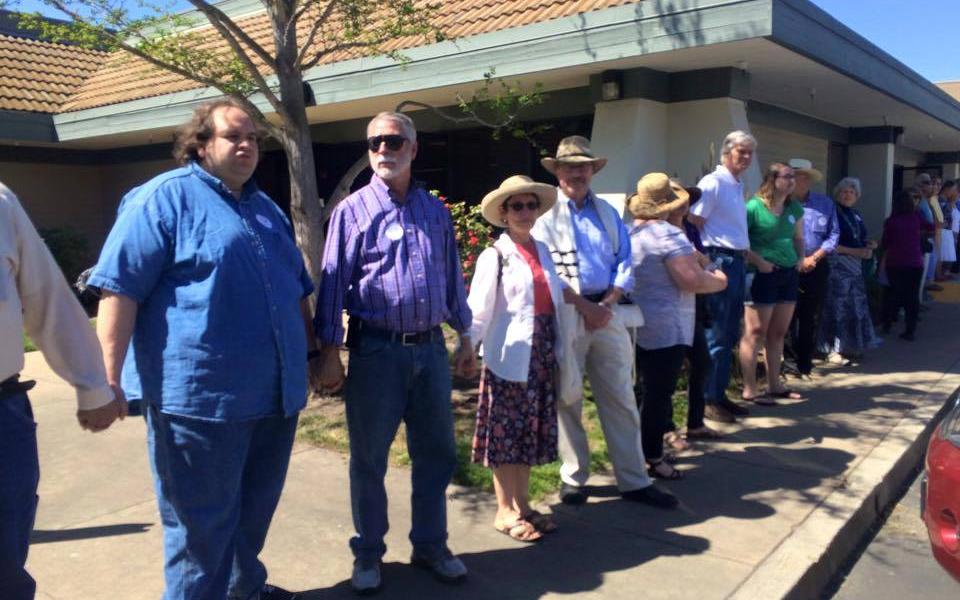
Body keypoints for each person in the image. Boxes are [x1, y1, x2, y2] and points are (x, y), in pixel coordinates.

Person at [88, 99, 312, 600]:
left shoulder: (263, 207)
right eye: (234, 136)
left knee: (252, 517)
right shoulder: (161, 200)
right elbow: (118, 290)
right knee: (198, 533)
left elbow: (296, 288)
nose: (248, 145)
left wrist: (316, 355)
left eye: (253, 136)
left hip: (274, 398)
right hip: (200, 405)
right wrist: (105, 380)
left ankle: (243, 590)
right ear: (201, 145)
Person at [314, 111, 476, 594]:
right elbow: (332, 288)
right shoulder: (352, 212)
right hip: (376, 354)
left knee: (438, 454)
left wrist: (466, 338)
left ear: (413, 147)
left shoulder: (435, 212)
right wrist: (329, 352)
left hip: (430, 353)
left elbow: (451, 280)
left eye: (395, 141)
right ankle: (368, 553)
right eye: (375, 142)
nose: (385, 149)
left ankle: (430, 545)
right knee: (368, 460)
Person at [531, 135, 677, 509]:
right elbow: (545, 271)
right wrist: (585, 306)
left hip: (608, 311)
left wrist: (609, 300)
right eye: (569, 166)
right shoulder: (544, 214)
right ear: (557, 171)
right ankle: (574, 477)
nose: (576, 172)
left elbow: (624, 261)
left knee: (622, 396)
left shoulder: (609, 212)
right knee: (569, 395)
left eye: (583, 166)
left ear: (593, 170)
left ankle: (633, 479)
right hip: (568, 312)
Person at [0, 183, 125, 600]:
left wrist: (92, 386)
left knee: (4, 565)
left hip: (2, 415)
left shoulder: (0, 202)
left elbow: (45, 297)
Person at [467, 175, 564, 543]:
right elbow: (478, 310)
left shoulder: (543, 250)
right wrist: (467, 347)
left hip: (539, 355)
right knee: (505, 436)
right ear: (504, 214)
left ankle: (523, 505)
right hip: (508, 356)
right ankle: (503, 510)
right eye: (517, 206)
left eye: (530, 205)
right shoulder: (495, 256)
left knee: (526, 434)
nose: (525, 212)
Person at [628, 174, 727, 480]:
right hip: (666, 325)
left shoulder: (632, 231)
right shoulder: (668, 236)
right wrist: (719, 277)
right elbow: (690, 280)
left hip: (637, 323)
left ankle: (637, 454)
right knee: (659, 394)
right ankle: (654, 458)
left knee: (641, 393)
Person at [686, 130, 758, 423]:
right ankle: (706, 400)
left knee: (729, 331)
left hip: (736, 261)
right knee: (716, 332)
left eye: (749, 153)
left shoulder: (736, 185)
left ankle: (718, 394)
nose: (746, 158)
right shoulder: (714, 183)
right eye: (741, 152)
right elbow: (693, 223)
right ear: (726, 153)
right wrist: (705, 262)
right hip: (721, 259)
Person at [739, 163, 804, 405]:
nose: (792, 181)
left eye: (793, 177)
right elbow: (740, 241)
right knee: (755, 332)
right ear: (772, 179)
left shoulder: (793, 208)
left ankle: (775, 384)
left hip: (788, 273)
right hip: (761, 274)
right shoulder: (753, 207)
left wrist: (800, 257)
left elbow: (798, 237)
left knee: (778, 332)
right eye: (787, 177)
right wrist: (759, 261)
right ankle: (749, 388)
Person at [817, 177, 880, 362]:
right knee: (837, 307)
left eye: (851, 192)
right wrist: (856, 251)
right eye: (844, 191)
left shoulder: (855, 214)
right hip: (838, 266)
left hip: (856, 267)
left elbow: (861, 236)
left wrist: (870, 245)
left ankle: (850, 346)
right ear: (837, 194)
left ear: (857, 196)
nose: (847, 195)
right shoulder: (832, 212)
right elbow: (828, 243)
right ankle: (830, 349)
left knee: (855, 308)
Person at [786, 158, 838, 378]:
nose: (801, 179)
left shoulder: (825, 203)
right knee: (787, 316)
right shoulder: (780, 203)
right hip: (788, 265)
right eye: (796, 175)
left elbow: (833, 235)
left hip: (816, 265)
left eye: (805, 176)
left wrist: (813, 258)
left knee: (809, 316)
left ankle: (805, 363)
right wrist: (798, 259)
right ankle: (788, 361)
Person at [880, 189, 933, 341]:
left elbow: (886, 243)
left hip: (895, 262)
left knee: (892, 294)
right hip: (915, 262)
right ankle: (910, 329)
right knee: (912, 296)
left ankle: (888, 323)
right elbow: (931, 227)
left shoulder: (891, 221)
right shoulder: (916, 217)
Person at [915, 173, 938, 301]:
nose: (934, 187)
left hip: (929, 239)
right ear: (923, 186)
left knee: (926, 269)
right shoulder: (918, 202)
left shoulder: (927, 201)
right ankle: (918, 298)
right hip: (921, 241)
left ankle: (921, 296)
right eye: (931, 184)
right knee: (921, 271)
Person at [937, 181, 957, 277]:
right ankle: (939, 274)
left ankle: (942, 273)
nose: (953, 193)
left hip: (946, 230)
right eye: (952, 190)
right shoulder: (941, 200)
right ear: (947, 189)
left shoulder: (945, 200)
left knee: (945, 253)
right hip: (943, 230)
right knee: (942, 253)